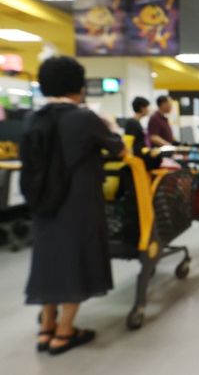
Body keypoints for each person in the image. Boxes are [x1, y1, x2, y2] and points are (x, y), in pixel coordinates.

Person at [21, 56, 124, 355]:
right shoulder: (84, 118)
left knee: (48, 262)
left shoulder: (33, 118)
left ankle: (46, 328)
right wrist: (111, 126)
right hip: (79, 203)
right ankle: (64, 333)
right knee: (77, 261)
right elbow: (118, 148)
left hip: (43, 206)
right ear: (78, 86)